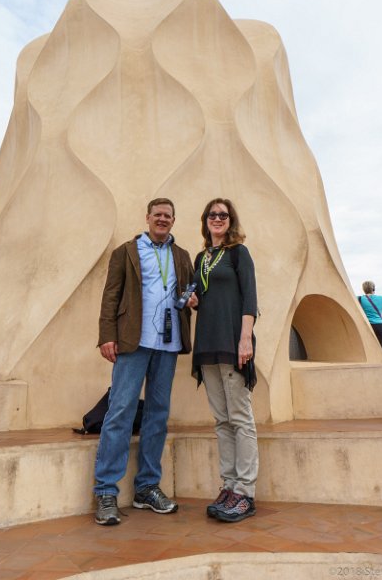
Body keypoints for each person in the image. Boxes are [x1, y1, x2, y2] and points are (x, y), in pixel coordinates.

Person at [94, 198, 194, 525]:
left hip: (168, 344)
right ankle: (106, 491)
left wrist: (191, 299)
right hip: (132, 342)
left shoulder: (182, 256)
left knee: (158, 415)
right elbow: (111, 296)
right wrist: (107, 335)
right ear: (148, 217)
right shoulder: (126, 252)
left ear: (173, 220)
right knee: (120, 411)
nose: (162, 219)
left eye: (168, 216)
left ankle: (147, 487)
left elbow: (188, 291)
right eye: (158, 215)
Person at [187, 198, 259, 523]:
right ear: (205, 220)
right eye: (212, 214)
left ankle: (245, 492)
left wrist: (245, 339)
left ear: (230, 220)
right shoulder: (201, 258)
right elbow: (205, 297)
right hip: (207, 345)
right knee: (222, 420)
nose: (217, 218)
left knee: (240, 418)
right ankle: (229, 486)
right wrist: (194, 300)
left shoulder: (238, 253)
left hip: (232, 343)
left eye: (223, 215)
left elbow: (249, 298)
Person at [358, 281, 382, 354]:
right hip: (380, 326)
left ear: (363, 289)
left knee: (368, 351)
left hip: (366, 326)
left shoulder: (359, 299)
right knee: (381, 351)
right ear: (373, 289)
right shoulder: (380, 299)